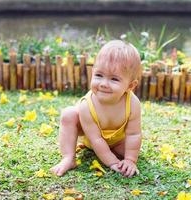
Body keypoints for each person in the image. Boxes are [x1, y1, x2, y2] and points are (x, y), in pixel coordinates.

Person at [50, 40, 142, 178]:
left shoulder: (133, 103)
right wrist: (112, 162)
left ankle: (119, 154)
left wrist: (130, 160)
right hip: (92, 139)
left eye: (114, 79)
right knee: (69, 114)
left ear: (130, 86)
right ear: (92, 73)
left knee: (130, 151)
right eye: (99, 75)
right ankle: (68, 158)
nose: (104, 84)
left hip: (117, 141)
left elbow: (134, 134)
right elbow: (96, 139)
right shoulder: (87, 105)